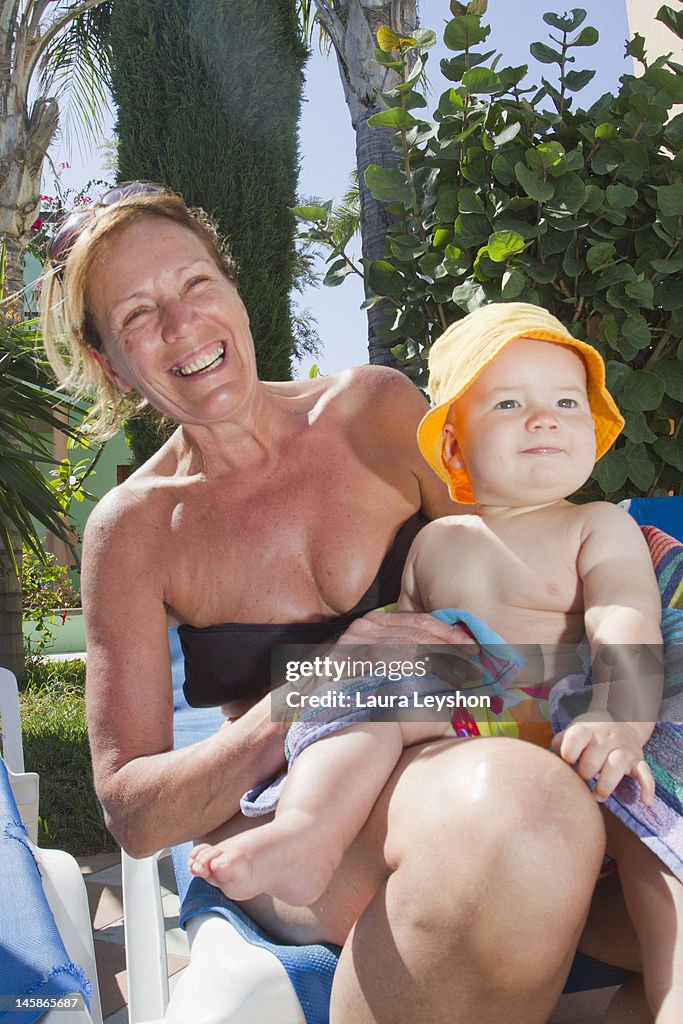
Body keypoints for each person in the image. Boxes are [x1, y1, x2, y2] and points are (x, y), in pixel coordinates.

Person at [41, 186, 621, 1024]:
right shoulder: (134, 531)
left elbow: (532, 603)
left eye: (196, 283)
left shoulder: (376, 412)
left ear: (234, 290)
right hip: (296, 819)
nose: (181, 325)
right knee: (519, 818)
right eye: (137, 314)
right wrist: (317, 688)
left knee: (536, 813)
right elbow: (133, 812)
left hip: (464, 749)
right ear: (109, 362)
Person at [189, 302, 682, 1023]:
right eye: (509, 403)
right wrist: (343, 675)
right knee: (368, 699)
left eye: (565, 403)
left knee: (660, 830)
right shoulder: (434, 540)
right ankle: (307, 833)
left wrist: (621, 714)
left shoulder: (595, 525)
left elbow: (624, 619)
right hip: (471, 709)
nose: (543, 419)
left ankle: (670, 991)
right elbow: (405, 635)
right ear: (452, 447)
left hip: (575, 709)